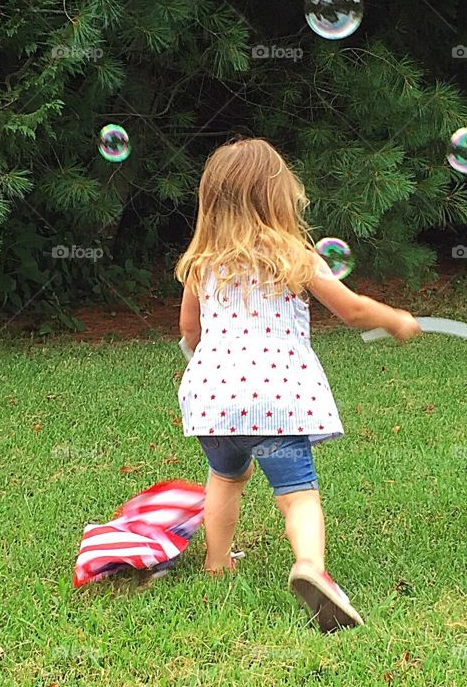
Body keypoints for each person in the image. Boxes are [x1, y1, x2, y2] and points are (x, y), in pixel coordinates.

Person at [175, 138, 421, 632]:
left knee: (226, 478)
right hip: (274, 399)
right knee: (297, 494)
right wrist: (394, 320)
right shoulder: (294, 256)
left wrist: (203, 361)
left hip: (213, 400)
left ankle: (216, 562)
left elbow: (188, 330)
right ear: (279, 197)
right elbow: (351, 310)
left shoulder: (202, 263)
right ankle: (310, 566)